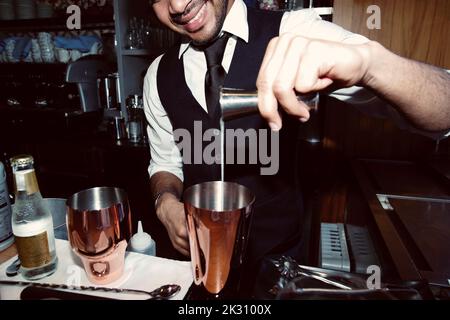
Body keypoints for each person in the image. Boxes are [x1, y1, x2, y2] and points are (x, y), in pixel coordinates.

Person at [143, 0, 450, 296]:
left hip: (279, 268)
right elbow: (166, 163)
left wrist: (369, 64)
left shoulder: (295, 30)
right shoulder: (158, 74)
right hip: (201, 273)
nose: (178, 5)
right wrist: (164, 201)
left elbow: (442, 113)